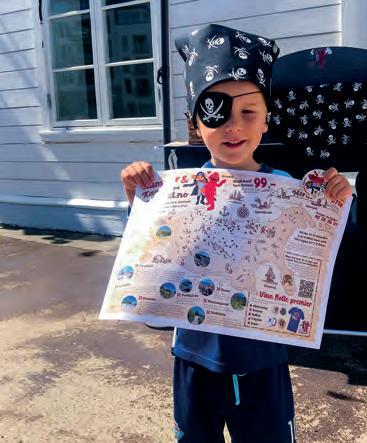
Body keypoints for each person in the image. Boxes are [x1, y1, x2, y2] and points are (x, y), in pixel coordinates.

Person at [120, 24, 352, 443]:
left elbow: (329, 254)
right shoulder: (173, 193)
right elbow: (150, 266)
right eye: (217, 112)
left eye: (248, 112)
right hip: (193, 359)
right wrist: (139, 203)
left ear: (266, 121)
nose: (233, 126)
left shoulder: (291, 191)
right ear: (197, 123)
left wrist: (338, 203)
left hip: (263, 364)